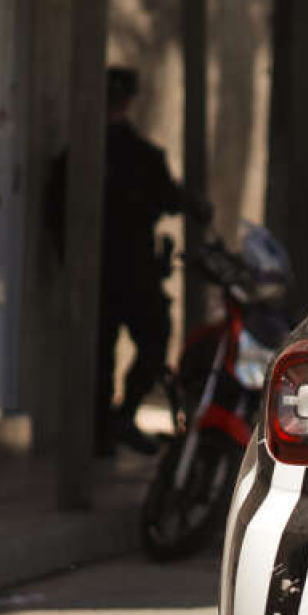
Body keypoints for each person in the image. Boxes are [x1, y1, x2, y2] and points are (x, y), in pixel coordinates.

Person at [50, 68, 198, 455]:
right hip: (113, 270)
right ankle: (108, 426)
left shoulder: (130, 155)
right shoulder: (98, 154)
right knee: (110, 352)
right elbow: (56, 210)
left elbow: (169, 198)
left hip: (121, 271)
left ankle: (115, 422)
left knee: (140, 343)